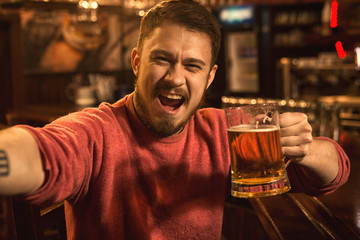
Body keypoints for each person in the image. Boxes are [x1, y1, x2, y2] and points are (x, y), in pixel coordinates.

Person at [0, 0, 350, 239]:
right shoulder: (98, 131)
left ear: (210, 78)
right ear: (137, 63)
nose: (175, 78)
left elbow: (334, 173)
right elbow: (39, 152)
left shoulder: (223, 130)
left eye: (192, 65)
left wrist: (307, 149)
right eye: (162, 59)